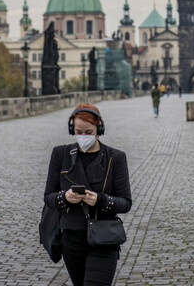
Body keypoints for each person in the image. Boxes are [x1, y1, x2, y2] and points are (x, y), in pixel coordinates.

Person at [44, 103, 132, 286]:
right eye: (79, 132)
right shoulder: (61, 154)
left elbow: (125, 202)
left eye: (88, 132)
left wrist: (101, 200)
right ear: (72, 130)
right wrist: (65, 197)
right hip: (71, 237)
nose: (83, 137)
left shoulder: (115, 157)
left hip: (104, 237)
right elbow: (48, 197)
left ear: (99, 129)